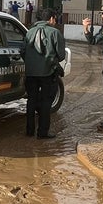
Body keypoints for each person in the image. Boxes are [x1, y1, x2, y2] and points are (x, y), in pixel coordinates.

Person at [20, 7, 66, 138]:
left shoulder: (29, 32)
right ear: (51, 19)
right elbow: (61, 55)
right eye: (55, 19)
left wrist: (31, 63)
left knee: (31, 100)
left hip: (30, 73)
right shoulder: (54, 32)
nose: (55, 21)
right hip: (48, 72)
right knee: (46, 102)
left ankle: (29, 131)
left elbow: (23, 51)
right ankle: (42, 132)